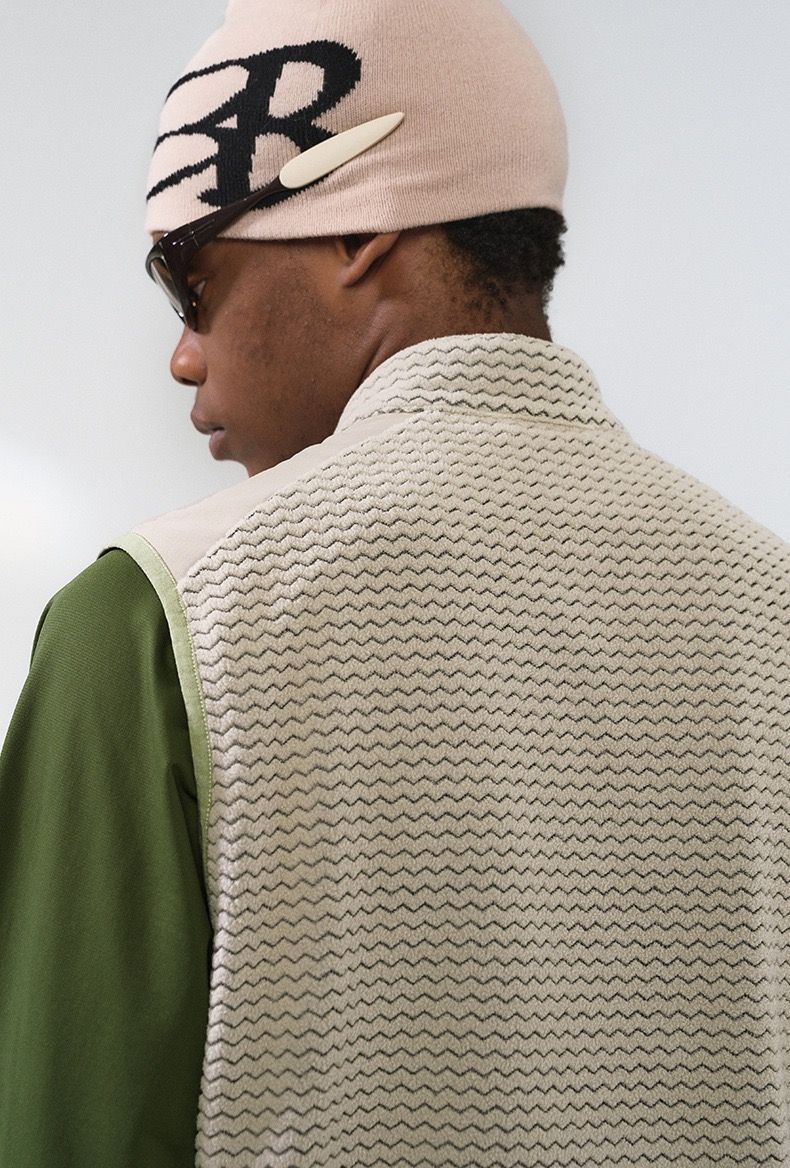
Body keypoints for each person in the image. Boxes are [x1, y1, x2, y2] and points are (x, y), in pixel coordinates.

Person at [1, 0, 788, 1165]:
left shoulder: (158, 616)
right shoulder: (767, 604)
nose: (181, 353)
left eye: (190, 280)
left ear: (356, 230)